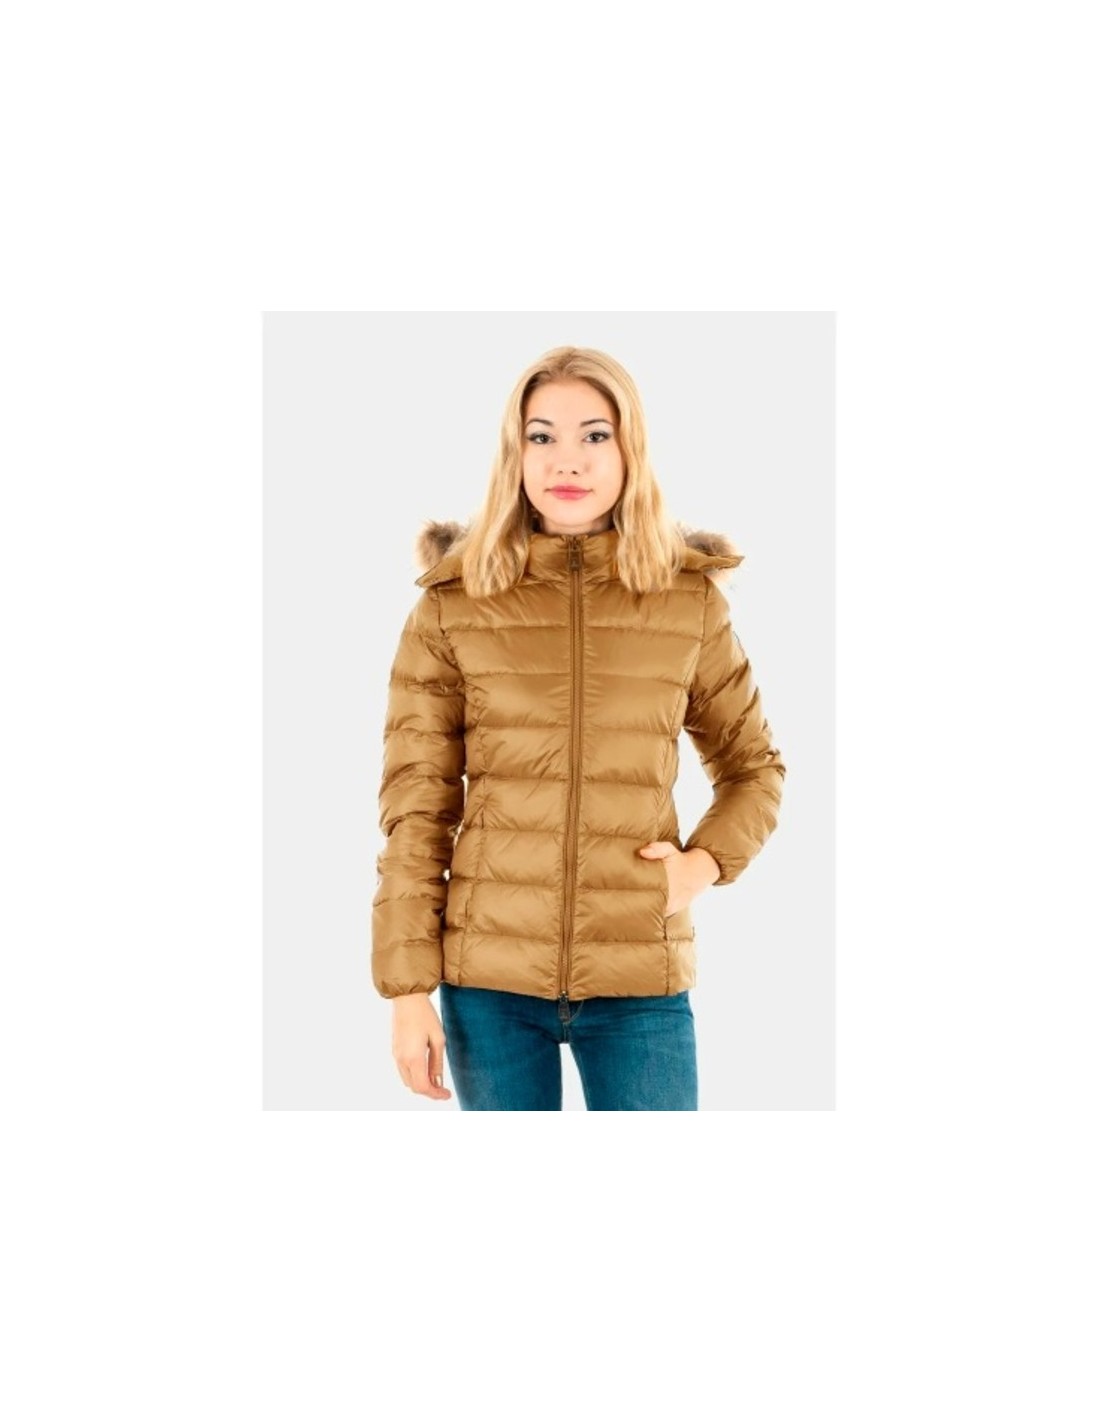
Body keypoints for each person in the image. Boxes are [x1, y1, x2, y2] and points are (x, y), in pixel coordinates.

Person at [371, 345, 786, 1110]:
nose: (568, 459)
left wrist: (702, 865)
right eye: (542, 436)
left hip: (640, 978)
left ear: (630, 449)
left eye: (595, 434)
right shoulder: (453, 604)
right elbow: (417, 806)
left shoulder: (686, 601)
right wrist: (406, 991)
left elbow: (754, 768)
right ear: (515, 452)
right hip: (487, 984)